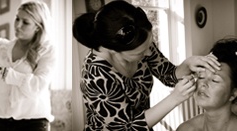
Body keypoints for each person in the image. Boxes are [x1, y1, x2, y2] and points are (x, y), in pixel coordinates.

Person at [72, 1, 221, 130]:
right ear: (113, 50)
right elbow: (126, 127)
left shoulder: (139, 39)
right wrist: (174, 98)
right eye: (142, 52)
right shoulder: (95, 73)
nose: (149, 53)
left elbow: (168, 74)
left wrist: (188, 63)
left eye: (150, 45)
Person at [0, 1, 54, 130]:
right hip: (1, 121)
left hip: (34, 122)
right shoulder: (0, 48)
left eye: (25, 22)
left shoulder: (47, 50)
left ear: (38, 27)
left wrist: (5, 72)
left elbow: (38, 85)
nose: (18, 25)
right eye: (17, 18)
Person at [176, 38, 237, 131]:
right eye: (201, 77)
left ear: (233, 94)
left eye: (215, 80)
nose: (203, 84)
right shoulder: (185, 129)